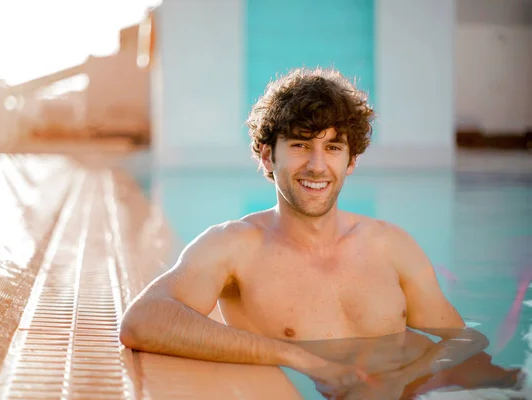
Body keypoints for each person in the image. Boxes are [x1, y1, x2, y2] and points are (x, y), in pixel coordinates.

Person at [119, 67, 494, 397]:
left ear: (351, 161)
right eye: (300, 145)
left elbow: (463, 338)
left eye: (332, 147)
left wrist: (400, 381)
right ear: (268, 156)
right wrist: (300, 358)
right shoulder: (235, 246)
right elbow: (142, 321)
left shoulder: (390, 244)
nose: (317, 166)